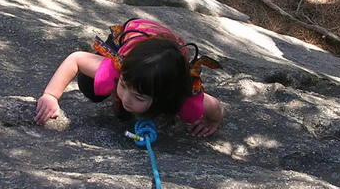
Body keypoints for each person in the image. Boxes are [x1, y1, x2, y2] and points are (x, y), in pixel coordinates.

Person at [34, 18, 225, 136]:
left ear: (162, 98)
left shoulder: (183, 99)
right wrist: (51, 95)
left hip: (170, 52)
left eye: (139, 96)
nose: (126, 98)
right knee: (93, 85)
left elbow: (215, 107)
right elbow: (75, 59)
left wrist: (212, 121)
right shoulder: (118, 68)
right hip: (134, 36)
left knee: (187, 111)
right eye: (124, 86)